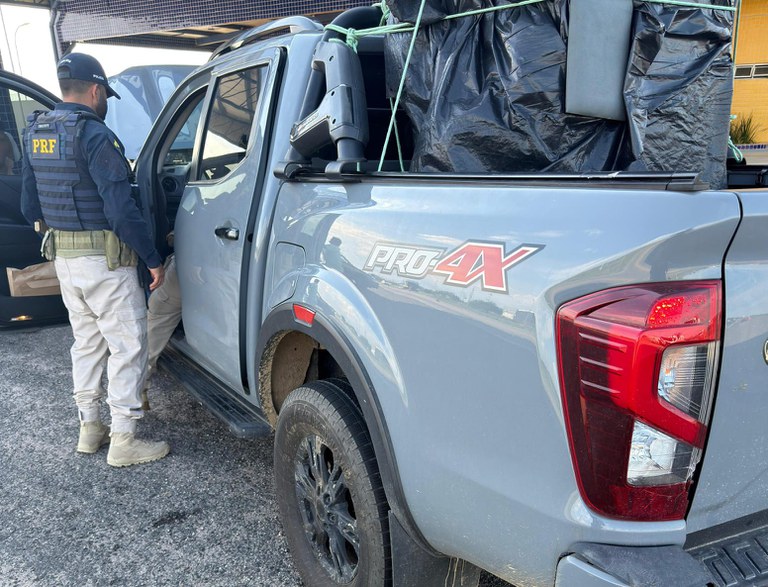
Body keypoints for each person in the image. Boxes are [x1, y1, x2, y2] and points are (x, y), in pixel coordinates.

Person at [21, 53, 169, 467]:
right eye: (105, 94)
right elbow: (121, 209)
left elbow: (28, 203)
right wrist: (152, 257)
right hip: (106, 262)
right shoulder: (94, 135)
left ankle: (90, 428)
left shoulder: (39, 131)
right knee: (127, 346)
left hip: (64, 261)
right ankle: (124, 439)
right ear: (95, 90)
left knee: (86, 344)